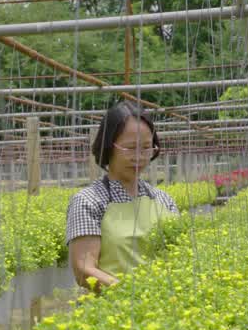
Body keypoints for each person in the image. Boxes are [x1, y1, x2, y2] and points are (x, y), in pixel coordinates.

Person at [66, 101, 179, 291]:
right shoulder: (89, 202)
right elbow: (83, 270)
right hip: (112, 313)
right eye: (130, 148)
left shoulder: (163, 200)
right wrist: (132, 296)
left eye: (146, 148)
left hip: (167, 308)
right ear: (108, 147)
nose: (139, 157)